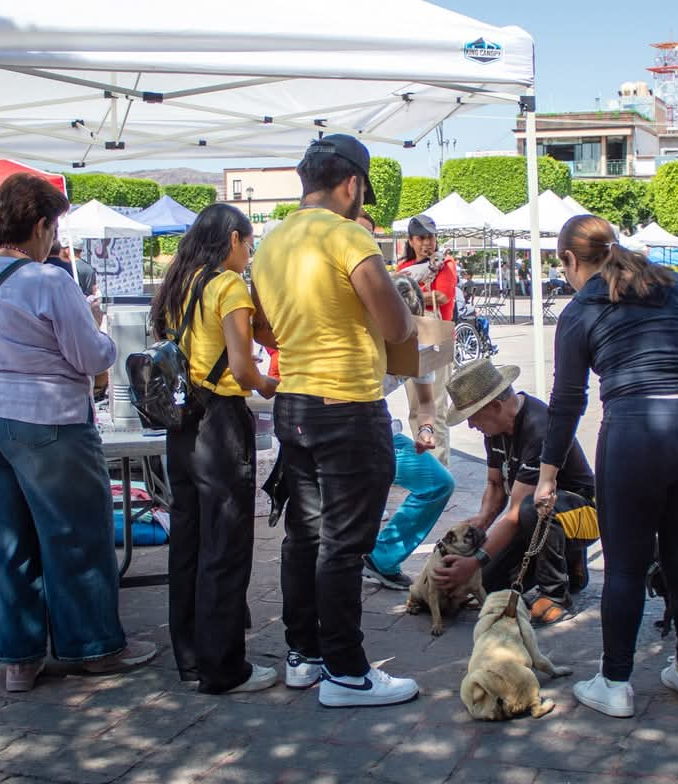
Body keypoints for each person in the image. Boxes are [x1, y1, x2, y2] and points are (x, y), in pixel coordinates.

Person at [0, 173, 156, 693]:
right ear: (41, 225)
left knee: (2, 539)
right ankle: (92, 646)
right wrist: (103, 339)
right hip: (42, 417)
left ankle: (18, 658)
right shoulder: (48, 279)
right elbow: (92, 356)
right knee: (74, 534)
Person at [541, 214, 678, 718]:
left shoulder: (580, 310)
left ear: (569, 260)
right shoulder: (676, 285)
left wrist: (546, 473)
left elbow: (566, 403)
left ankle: (615, 683)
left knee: (625, 565)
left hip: (635, 432)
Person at [251, 134, 419, 708]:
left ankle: (305, 655)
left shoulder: (269, 243)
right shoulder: (349, 235)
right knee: (344, 545)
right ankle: (347, 672)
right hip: (347, 404)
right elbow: (397, 327)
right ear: (352, 184)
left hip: (293, 402)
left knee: (304, 535)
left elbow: (264, 329)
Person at [149, 204, 279, 694]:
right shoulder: (227, 286)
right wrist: (268, 385)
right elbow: (244, 368)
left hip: (181, 425)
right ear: (232, 240)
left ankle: (190, 658)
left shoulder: (180, 282)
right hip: (221, 425)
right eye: (248, 243)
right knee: (225, 545)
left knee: (187, 543)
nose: (249, 253)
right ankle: (224, 668)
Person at [433, 360, 597, 626]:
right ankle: (566, 563)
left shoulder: (538, 426)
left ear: (495, 406)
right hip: (530, 518)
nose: (472, 426)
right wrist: (481, 522)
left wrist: (474, 561)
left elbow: (515, 513)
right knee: (487, 582)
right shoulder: (496, 427)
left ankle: (555, 593)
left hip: (582, 513)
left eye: (473, 417)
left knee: (532, 508)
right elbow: (496, 485)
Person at [354, 211, 455, 591]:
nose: (405, 331)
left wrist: (426, 429)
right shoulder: (358, 342)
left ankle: (381, 557)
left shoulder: (419, 341)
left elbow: (426, 404)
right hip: (344, 429)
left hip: (377, 431)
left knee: (438, 482)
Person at [398, 214, 457, 466]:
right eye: (421, 238)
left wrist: (413, 292)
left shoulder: (445, 264)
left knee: (436, 406)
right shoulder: (404, 268)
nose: (427, 243)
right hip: (411, 338)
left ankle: (440, 466)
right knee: (415, 406)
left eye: (430, 237)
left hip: (437, 336)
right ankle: (424, 464)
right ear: (411, 240)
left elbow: (443, 296)